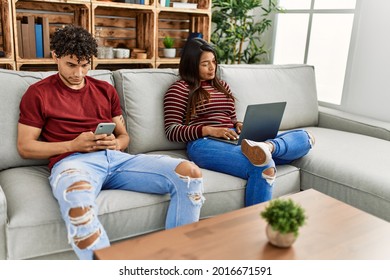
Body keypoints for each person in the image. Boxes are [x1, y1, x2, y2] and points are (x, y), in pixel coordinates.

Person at [17, 25, 205, 260]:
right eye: (71, 65)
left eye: (85, 65)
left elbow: (125, 137)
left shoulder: (105, 90)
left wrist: (115, 143)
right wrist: (73, 145)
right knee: (78, 206)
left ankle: (177, 261)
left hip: (115, 159)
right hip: (72, 163)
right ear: (56, 57)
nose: (79, 73)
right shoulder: (38, 93)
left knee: (189, 174)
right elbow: (25, 147)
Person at [163, 37, 314, 207]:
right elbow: (172, 130)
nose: (212, 67)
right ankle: (253, 226)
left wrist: (238, 125)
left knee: (305, 138)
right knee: (264, 166)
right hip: (204, 143)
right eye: (205, 64)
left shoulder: (223, 86)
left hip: (233, 137)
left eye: (214, 61)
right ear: (191, 65)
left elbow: (231, 117)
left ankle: (268, 147)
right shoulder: (179, 89)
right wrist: (210, 130)